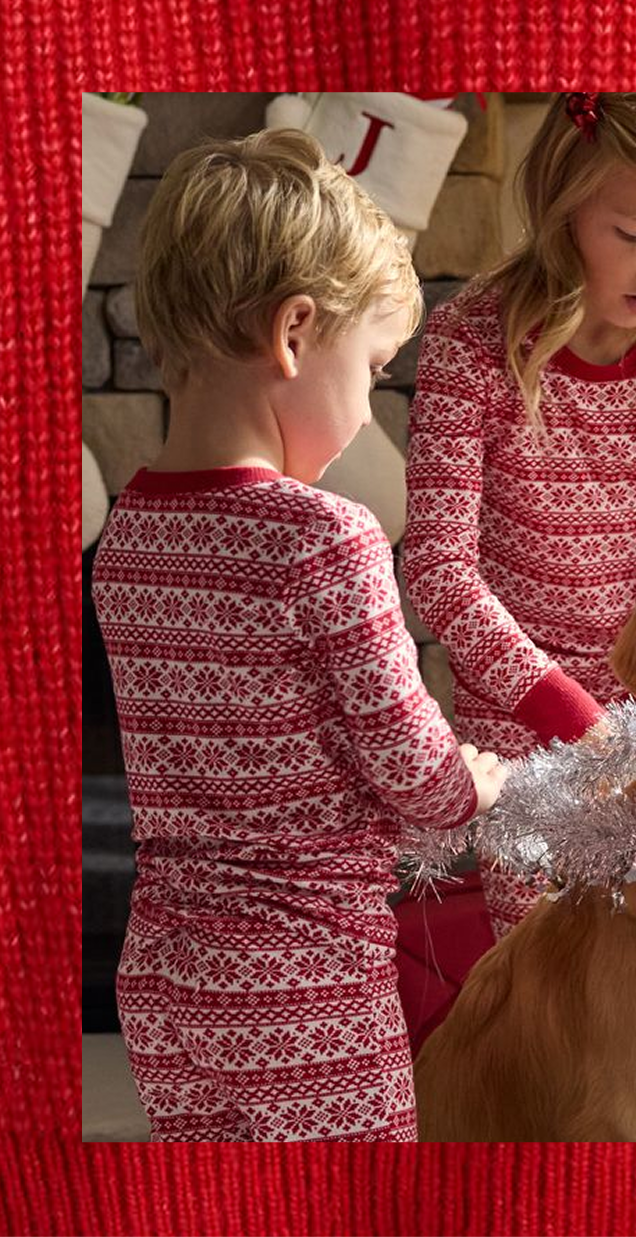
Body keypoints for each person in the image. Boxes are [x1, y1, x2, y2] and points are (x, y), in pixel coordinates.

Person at [91, 129, 506, 1142]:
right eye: (371, 370)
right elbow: (417, 776)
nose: (368, 412)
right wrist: (476, 780)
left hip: (165, 983)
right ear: (294, 333)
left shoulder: (127, 537)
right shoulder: (325, 536)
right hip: (305, 984)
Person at [403, 92, 636, 945]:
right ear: (565, 203)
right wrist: (563, 710)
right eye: (634, 235)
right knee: (541, 958)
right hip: (511, 709)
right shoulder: (472, 343)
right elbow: (440, 569)